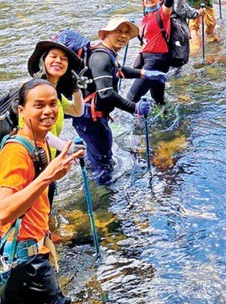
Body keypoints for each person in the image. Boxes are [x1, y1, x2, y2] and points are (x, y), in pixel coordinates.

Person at [0, 79, 85, 304]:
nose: (48, 111)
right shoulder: (17, 151)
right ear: (21, 110)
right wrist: (47, 177)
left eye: (53, 104)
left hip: (12, 252)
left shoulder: (40, 140)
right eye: (39, 105)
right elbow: (4, 212)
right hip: (26, 258)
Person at [71, 16, 166, 185]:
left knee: (98, 156)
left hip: (87, 117)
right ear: (106, 33)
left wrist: (143, 73)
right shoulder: (102, 57)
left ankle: (93, 172)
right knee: (104, 164)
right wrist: (134, 107)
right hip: (92, 120)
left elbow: (117, 70)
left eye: (126, 33)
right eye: (118, 31)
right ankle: (104, 198)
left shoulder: (105, 53)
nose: (123, 36)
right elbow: (106, 93)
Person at [125, 0, 191, 104]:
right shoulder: (144, 18)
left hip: (156, 60)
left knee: (131, 99)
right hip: (148, 59)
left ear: (160, 0)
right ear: (143, 2)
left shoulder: (162, 14)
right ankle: (165, 120)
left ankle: (135, 125)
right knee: (158, 100)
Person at [26, 40, 84, 155]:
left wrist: (76, 89)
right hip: (29, 158)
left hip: (47, 157)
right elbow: (34, 130)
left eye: (64, 59)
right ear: (43, 61)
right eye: (53, 56)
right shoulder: (32, 91)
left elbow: (77, 111)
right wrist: (66, 147)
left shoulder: (55, 94)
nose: (58, 61)